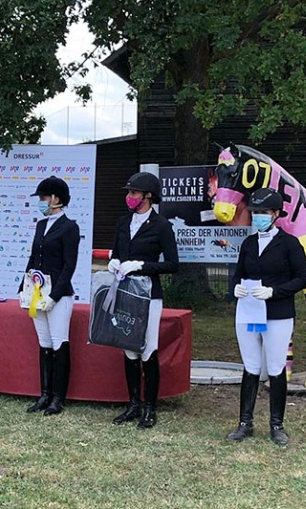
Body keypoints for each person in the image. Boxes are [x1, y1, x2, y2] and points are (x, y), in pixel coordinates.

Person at [227, 187, 306, 446]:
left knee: (275, 367)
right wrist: (235, 288)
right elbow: (237, 274)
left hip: (277, 313)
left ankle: (277, 425)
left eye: (263, 212)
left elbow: (303, 278)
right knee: (250, 366)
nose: (258, 217)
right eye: (255, 212)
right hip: (250, 311)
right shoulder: (249, 243)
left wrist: (275, 291)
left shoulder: (289, 244)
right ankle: (245, 423)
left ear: (275, 214)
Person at [108, 172, 179, 429]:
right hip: (125, 291)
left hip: (149, 293)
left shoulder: (161, 226)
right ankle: (133, 404)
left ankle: (150, 407)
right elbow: (117, 252)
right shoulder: (122, 223)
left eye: (134, 193)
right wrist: (114, 261)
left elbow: (172, 264)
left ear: (148, 196)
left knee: (148, 349)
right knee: (129, 348)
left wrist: (142, 265)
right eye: (128, 193)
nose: (129, 197)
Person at [20, 176, 80, 416]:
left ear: (56, 199)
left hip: (59, 295)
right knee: (44, 344)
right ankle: (44, 394)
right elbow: (33, 259)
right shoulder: (41, 225)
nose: (42, 202)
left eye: (44, 197)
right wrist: (24, 288)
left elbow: (69, 265)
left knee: (58, 343)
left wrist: (54, 296)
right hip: (37, 292)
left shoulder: (70, 227)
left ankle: (58, 397)